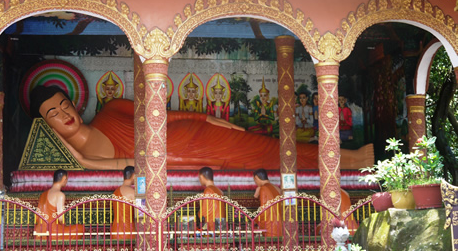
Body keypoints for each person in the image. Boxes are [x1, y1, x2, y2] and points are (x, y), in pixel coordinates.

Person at [29, 85, 374, 170]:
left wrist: (202, 118)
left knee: (263, 147)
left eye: (64, 105)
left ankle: (351, 157)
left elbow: (161, 116)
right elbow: (133, 165)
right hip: (178, 162)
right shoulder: (84, 157)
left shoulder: (111, 109)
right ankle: (349, 160)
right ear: (46, 126)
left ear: (75, 103)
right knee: (261, 160)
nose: (64, 114)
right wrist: (86, 162)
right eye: (53, 114)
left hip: (188, 137)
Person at [34, 169, 85, 240]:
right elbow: (61, 218)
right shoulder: (60, 195)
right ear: (64, 178)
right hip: (53, 233)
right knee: (80, 228)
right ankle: (66, 248)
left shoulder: (43, 194)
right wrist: (65, 224)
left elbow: (36, 217)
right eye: (67, 179)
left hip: (39, 233)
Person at [253, 169, 282, 238]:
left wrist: (255, 220)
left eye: (255, 180)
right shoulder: (275, 188)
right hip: (279, 225)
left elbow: (264, 210)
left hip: (270, 227)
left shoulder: (263, 188)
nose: (255, 182)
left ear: (256, 178)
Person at [111, 166, 136, 239]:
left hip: (115, 231)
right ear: (134, 175)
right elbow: (140, 212)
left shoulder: (115, 192)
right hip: (128, 231)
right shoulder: (131, 192)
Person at [198, 167, 226, 231]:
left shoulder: (208, 190)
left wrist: (200, 201)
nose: (199, 180)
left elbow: (203, 213)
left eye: (199, 178)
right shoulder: (220, 191)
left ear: (201, 177)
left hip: (212, 226)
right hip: (221, 224)